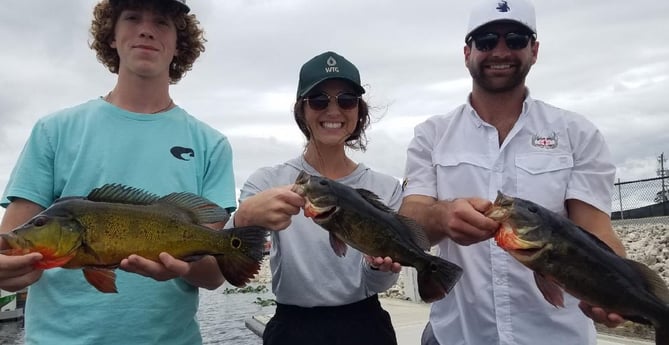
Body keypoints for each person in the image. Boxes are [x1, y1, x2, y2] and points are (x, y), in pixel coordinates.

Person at [0, 0, 235, 344]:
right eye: (132, 16)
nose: (146, 29)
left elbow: (214, 275)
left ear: (178, 42)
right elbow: (10, 250)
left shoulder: (210, 145)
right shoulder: (54, 131)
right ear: (111, 33)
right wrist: (10, 273)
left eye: (162, 22)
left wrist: (183, 266)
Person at [399, 0, 627, 344]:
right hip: (458, 335)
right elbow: (410, 220)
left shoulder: (577, 133)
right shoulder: (431, 135)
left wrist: (621, 286)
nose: (501, 51)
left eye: (516, 39)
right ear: (467, 52)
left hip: (557, 336)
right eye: (487, 40)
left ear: (534, 50)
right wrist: (444, 216)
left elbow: (597, 232)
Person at [230, 51, 402, 345]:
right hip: (292, 328)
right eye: (319, 100)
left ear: (359, 110)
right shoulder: (266, 182)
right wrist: (242, 218)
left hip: (366, 326)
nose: (333, 110)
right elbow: (232, 260)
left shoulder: (385, 188)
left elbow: (378, 282)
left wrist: (379, 268)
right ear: (302, 110)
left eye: (346, 99)